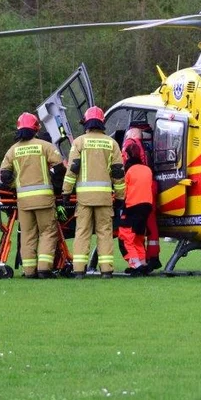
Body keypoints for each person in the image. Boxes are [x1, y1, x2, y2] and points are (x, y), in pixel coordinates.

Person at [0, 112, 66, 279]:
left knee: (27, 234)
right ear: (36, 128)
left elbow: (5, 176)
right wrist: (56, 188)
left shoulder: (12, 150)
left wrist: (16, 186)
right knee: (47, 233)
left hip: (24, 201)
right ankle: (44, 269)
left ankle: (29, 271)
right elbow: (59, 169)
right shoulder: (46, 146)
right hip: (44, 198)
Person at [62, 106, 125, 278]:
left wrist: (66, 192)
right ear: (102, 123)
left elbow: (72, 169)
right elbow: (118, 172)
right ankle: (106, 271)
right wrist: (120, 197)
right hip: (105, 198)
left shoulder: (79, 142)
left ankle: (79, 271)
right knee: (105, 233)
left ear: (87, 123)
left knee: (82, 232)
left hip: (84, 199)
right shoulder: (112, 143)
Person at [119, 126, 156, 275]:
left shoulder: (129, 171)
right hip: (146, 207)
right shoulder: (147, 170)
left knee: (126, 236)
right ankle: (142, 262)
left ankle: (135, 264)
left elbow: (123, 191)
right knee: (139, 236)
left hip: (132, 206)